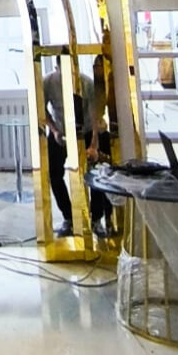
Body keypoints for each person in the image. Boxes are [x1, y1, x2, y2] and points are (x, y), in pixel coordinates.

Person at [42, 62, 113, 237]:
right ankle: (69, 217)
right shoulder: (48, 83)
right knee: (54, 173)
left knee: (96, 173)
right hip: (62, 130)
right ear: (57, 68)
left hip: (87, 129)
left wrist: (93, 145)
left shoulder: (86, 83)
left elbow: (96, 118)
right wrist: (55, 131)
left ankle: (96, 219)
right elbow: (41, 110)